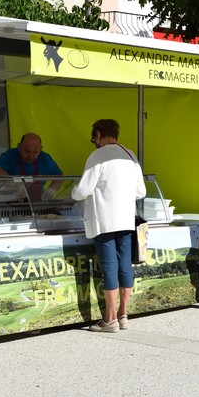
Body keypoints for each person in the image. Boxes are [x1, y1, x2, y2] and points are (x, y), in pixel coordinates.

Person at [71, 119, 146, 332]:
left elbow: (83, 190)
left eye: (93, 137)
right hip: (126, 220)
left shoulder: (97, 156)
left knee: (109, 266)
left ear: (98, 133)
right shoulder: (130, 155)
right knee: (124, 264)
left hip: (103, 220)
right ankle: (123, 314)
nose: (93, 141)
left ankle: (109, 319)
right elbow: (141, 192)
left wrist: (72, 194)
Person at [0, 132, 63, 200]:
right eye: (27, 151)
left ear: (40, 149)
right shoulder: (10, 156)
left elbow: (60, 177)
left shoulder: (45, 159)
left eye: (35, 152)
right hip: (9, 203)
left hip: (36, 204)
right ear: (19, 146)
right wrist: (14, 183)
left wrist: (52, 189)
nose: (30, 156)